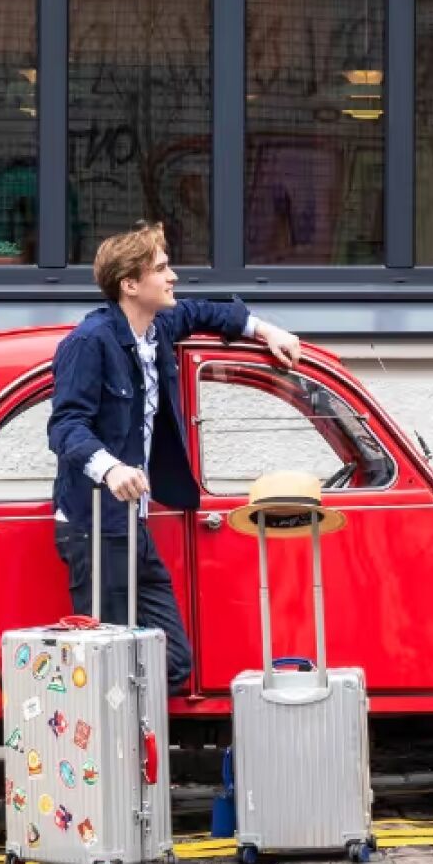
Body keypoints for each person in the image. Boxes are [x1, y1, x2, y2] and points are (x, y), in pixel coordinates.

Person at [48, 221, 300, 693]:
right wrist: (111, 467)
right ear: (129, 284)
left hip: (132, 523)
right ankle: (107, 760)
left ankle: (134, 746)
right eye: (162, 268)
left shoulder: (159, 326)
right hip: (96, 527)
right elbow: (65, 426)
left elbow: (208, 312)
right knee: (106, 667)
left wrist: (268, 331)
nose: (173, 278)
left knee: (174, 661)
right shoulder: (89, 343)